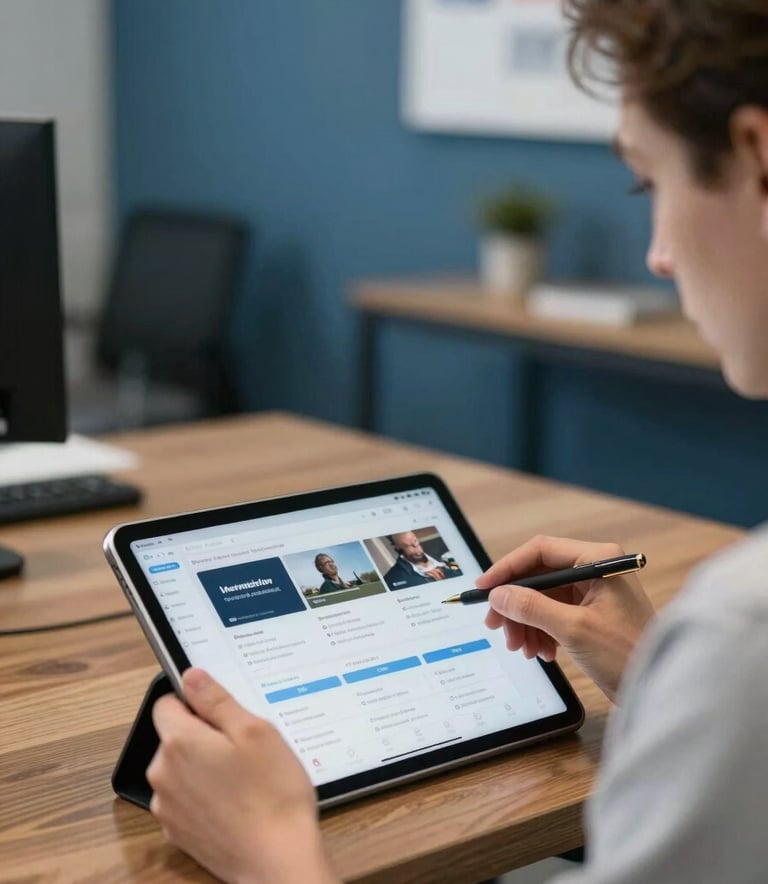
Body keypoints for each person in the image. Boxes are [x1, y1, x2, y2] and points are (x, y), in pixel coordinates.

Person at [146, 2, 768, 881]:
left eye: (649, 183)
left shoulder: (747, 629)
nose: (659, 255)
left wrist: (268, 855)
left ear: (759, 160)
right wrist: (668, 689)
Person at [383, 530, 462, 589]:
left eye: (415, 541)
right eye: (408, 545)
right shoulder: (391, 579)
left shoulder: (451, 557)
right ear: (396, 547)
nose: (416, 547)